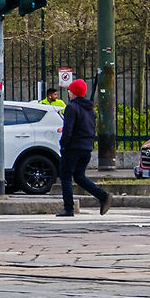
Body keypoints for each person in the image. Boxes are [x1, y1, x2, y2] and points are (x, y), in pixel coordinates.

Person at [60, 78, 109, 216]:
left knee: (65, 176)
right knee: (79, 176)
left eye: (70, 90)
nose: (69, 92)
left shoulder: (72, 107)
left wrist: (63, 144)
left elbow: (68, 129)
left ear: (74, 93)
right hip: (86, 147)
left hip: (73, 146)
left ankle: (68, 208)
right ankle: (102, 196)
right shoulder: (90, 108)